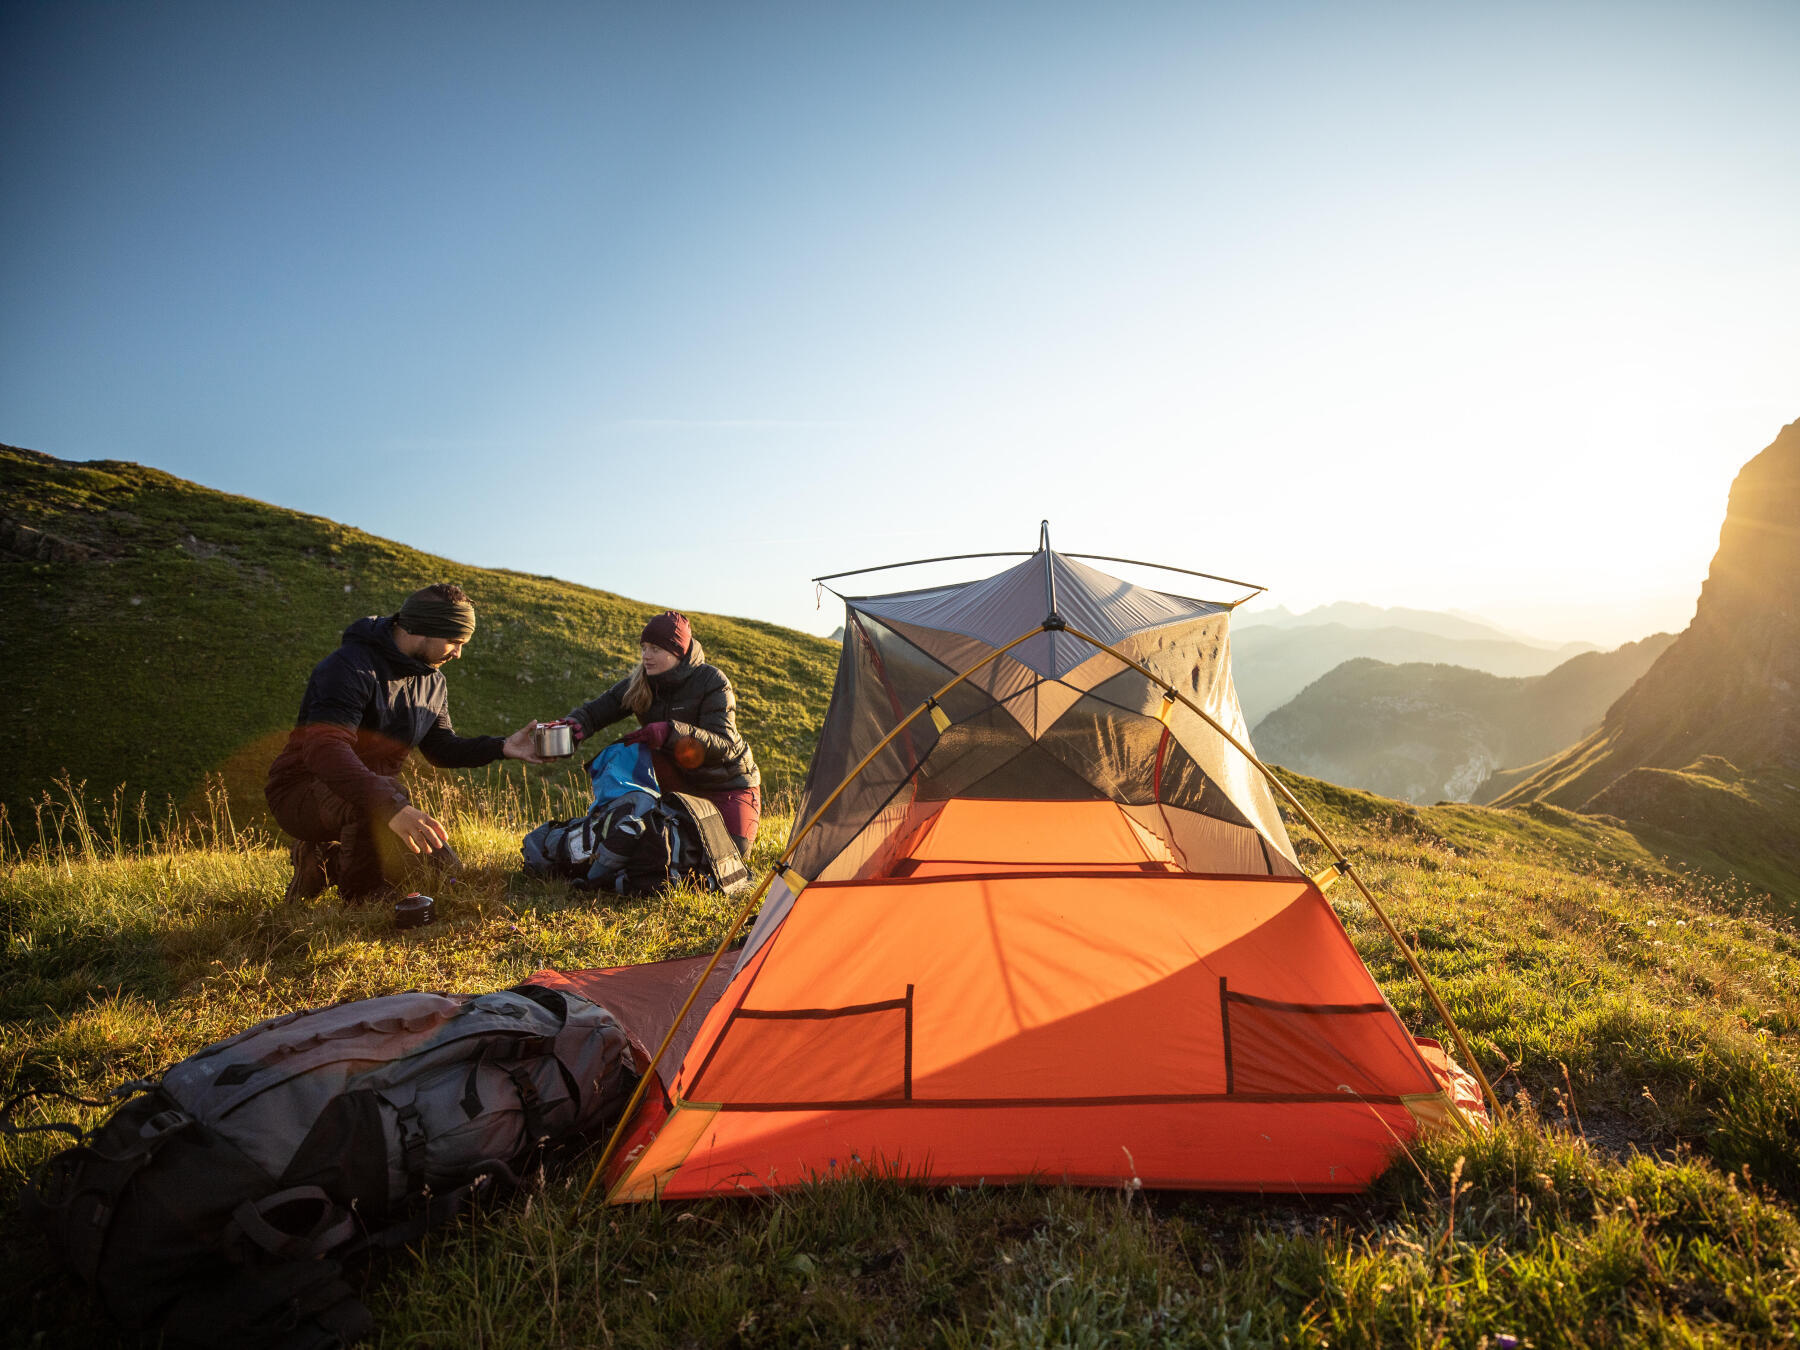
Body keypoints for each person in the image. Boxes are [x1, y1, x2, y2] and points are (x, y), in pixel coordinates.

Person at [265, 582, 548, 902]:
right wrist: (389, 804)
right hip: (303, 792)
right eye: (455, 641)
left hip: (375, 798)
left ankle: (321, 861)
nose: (458, 654)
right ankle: (362, 896)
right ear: (423, 628)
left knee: (442, 872)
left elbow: (441, 748)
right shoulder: (350, 667)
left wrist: (501, 747)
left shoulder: (434, 682)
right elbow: (324, 749)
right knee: (385, 798)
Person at [553, 611, 762, 857]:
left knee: (731, 855)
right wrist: (575, 726)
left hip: (727, 783)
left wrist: (670, 732)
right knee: (668, 851)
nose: (645, 656)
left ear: (677, 651)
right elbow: (596, 713)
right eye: (643, 648)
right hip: (680, 784)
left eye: (654, 648)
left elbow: (724, 744)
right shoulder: (641, 681)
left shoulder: (712, 681)